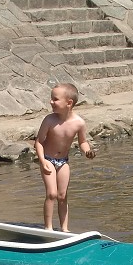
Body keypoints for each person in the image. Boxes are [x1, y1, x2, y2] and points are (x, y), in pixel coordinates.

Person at [35, 82, 95, 232]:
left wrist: (87, 151)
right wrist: (42, 161)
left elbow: (82, 142)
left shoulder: (79, 123)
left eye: (55, 99)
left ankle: (64, 229)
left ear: (69, 103)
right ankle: (48, 228)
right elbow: (39, 141)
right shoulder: (49, 120)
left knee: (62, 196)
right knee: (52, 194)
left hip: (63, 162)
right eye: (51, 98)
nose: (51, 102)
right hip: (48, 159)